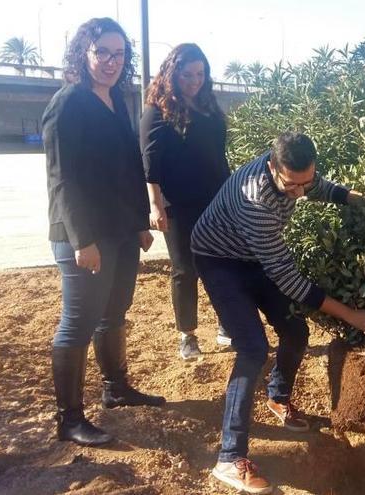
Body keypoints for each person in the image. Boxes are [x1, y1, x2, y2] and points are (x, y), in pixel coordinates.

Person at [191, 132, 365, 494]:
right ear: (272, 167)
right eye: (292, 186)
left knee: (296, 332)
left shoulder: (297, 170)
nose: (300, 193)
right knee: (252, 348)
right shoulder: (255, 201)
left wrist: (364, 202)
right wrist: (350, 315)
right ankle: (230, 458)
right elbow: (290, 281)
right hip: (219, 261)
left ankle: (278, 397)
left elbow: (322, 188)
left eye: (305, 182)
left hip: (253, 257)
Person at [43, 17, 165, 447]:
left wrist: (137, 223)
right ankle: (69, 418)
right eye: (102, 53)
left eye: (119, 54)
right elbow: (63, 179)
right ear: (84, 53)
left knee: (114, 313)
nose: (111, 62)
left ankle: (116, 388)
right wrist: (82, 240)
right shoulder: (67, 103)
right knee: (78, 323)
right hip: (84, 236)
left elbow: (127, 168)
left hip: (119, 231)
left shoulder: (117, 100)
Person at [140, 43, 233, 360]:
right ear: (172, 73)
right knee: (185, 269)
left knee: (222, 262)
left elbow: (218, 154)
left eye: (200, 73)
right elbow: (150, 162)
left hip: (217, 198)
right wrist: (154, 205)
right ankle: (188, 335)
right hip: (178, 202)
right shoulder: (157, 110)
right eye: (187, 74)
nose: (195, 80)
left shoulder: (208, 105)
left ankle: (226, 324)